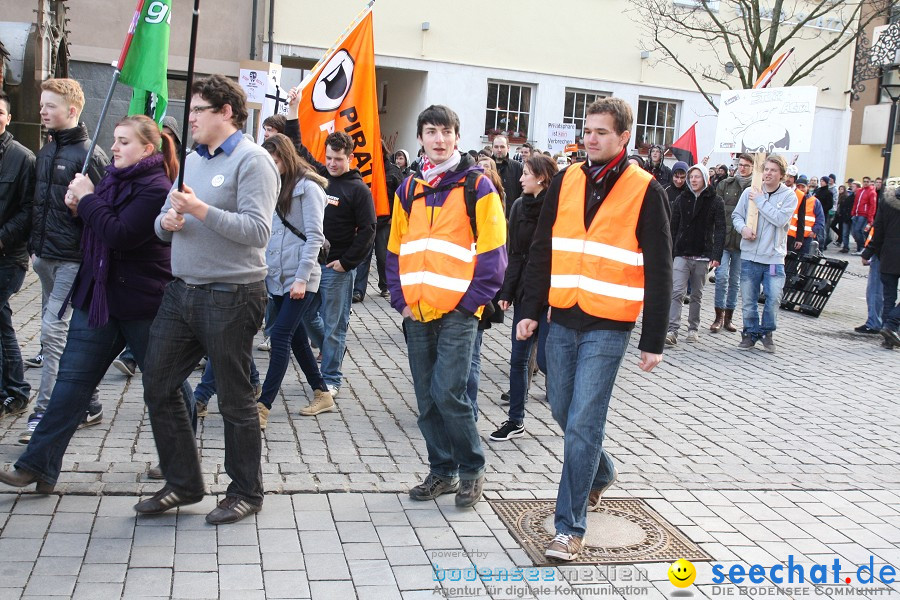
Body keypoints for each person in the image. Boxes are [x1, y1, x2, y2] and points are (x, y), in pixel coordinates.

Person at [517, 98, 672, 561]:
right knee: (564, 412)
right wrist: (529, 307)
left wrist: (654, 339)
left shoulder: (646, 189)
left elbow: (660, 268)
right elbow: (542, 249)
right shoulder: (565, 179)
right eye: (588, 130)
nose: (591, 138)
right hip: (561, 317)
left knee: (584, 421)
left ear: (624, 137)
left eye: (602, 132)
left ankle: (569, 528)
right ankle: (600, 472)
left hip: (610, 323)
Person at [0, 115, 186, 493]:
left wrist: (86, 200)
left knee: (165, 385)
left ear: (147, 149)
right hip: (100, 299)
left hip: (143, 304)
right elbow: (97, 227)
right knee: (71, 384)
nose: (114, 148)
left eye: (124, 142)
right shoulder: (114, 180)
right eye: (115, 140)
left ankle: (181, 464)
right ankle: (37, 466)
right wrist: (77, 207)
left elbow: (119, 234)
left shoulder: (156, 187)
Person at [136, 74, 278, 525]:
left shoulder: (253, 161)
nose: (190, 117)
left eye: (198, 109)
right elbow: (163, 221)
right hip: (181, 292)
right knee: (157, 383)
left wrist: (200, 210)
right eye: (191, 109)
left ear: (226, 113)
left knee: (234, 399)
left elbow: (258, 231)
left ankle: (246, 492)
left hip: (232, 295)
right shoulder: (191, 160)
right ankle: (183, 482)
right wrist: (169, 222)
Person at [386, 105, 507, 509]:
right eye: (430, 131)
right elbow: (394, 250)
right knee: (426, 399)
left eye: (446, 132)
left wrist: (470, 304)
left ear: (457, 137)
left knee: (449, 393)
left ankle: (471, 469)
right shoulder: (409, 188)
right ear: (420, 137)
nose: (438, 139)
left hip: (458, 313)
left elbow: (494, 255)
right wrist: (400, 300)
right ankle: (442, 471)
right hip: (417, 312)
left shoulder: (478, 186)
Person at [22, 78, 109, 444]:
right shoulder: (45, 152)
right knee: (57, 334)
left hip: (74, 261)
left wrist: (83, 209)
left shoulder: (91, 155)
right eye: (42, 105)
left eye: (50, 106)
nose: (43, 111)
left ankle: (45, 411)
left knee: (51, 334)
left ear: (72, 110)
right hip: (44, 259)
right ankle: (87, 402)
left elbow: (106, 211)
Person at [284, 88, 376, 404]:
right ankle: (330, 349)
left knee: (337, 325)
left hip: (338, 269)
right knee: (308, 317)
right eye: (329, 158)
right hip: (313, 265)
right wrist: (294, 110)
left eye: (338, 159)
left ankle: (331, 378)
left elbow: (369, 230)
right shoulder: (321, 176)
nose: (333, 164)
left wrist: (347, 262)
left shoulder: (359, 190)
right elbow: (296, 149)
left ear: (349, 158)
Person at [256, 133, 332, 426]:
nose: (272, 164)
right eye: (268, 160)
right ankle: (322, 392)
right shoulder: (274, 185)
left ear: (286, 156)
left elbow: (315, 237)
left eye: (276, 159)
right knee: (298, 337)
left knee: (280, 337)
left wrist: (301, 279)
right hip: (277, 274)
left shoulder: (308, 187)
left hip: (302, 277)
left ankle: (263, 406)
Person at [491, 154, 557, 442]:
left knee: (546, 359)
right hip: (524, 295)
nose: (520, 178)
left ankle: (568, 412)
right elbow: (514, 253)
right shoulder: (518, 206)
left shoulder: (557, 209)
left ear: (541, 177)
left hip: (552, 297)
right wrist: (506, 291)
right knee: (518, 359)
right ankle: (515, 419)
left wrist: (557, 299)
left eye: (526, 174)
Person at [731, 154, 796, 352]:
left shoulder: (788, 196)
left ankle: (767, 331)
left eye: (773, 170)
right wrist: (743, 229)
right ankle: (750, 333)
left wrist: (760, 201)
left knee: (774, 296)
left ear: (782, 174)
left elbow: (780, 219)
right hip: (751, 255)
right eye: (766, 169)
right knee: (749, 299)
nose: (768, 173)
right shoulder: (750, 192)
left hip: (774, 258)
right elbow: (736, 216)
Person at [0, 90, 34, 419]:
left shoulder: (22, 158)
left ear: (8, 118)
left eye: (0, 112)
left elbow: (28, 211)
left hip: (8, 258)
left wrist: (1, 240)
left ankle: (15, 389)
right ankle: (14, 388)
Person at [665, 164, 724, 346]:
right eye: (691, 177)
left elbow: (721, 229)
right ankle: (672, 329)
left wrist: (716, 254)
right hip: (682, 253)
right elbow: (673, 227)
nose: (693, 180)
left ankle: (693, 328)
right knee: (676, 292)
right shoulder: (682, 198)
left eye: (697, 177)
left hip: (703, 254)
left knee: (696, 294)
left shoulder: (715, 201)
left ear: (705, 178)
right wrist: (671, 251)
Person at [710, 153, 752, 333]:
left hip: (743, 242)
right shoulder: (725, 184)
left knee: (735, 281)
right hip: (724, 239)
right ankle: (718, 316)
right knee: (721, 278)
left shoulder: (756, 188)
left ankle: (729, 317)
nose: (742, 168)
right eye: (740, 165)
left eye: (746, 166)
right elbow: (715, 211)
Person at [354, 147, 400, 302]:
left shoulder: (393, 171)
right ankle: (358, 290)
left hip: (385, 221)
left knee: (383, 256)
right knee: (363, 256)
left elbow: (400, 196)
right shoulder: (363, 168)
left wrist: (393, 217)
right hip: (366, 220)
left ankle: (385, 285)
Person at [863, 187, 900, 348]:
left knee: (889, 298)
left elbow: (878, 229)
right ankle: (891, 325)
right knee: (889, 297)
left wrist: (869, 251)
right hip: (889, 255)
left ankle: (887, 339)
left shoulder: (887, 201)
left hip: (888, 256)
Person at [855, 225, 884, 336]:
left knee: (875, 290)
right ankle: (889, 324)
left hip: (882, 254)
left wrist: (868, 252)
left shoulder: (887, 208)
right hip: (887, 253)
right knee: (888, 292)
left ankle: (874, 323)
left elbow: (879, 233)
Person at [787, 175, 825, 255]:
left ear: (807, 187)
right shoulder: (791, 199)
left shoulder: (815, 201)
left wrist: (814, 231)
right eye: (798, 186)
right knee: (790, 262)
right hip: (793, 236)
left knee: (806, 262)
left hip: (808, 237)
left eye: (803, 187)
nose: (801, 189)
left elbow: (820, 219)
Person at [492, 134, 523, 216]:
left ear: (508, 148)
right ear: (492, 148)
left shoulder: (517, 167)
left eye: (502, 147)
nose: (499, 150)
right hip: (490, 214)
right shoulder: (486, 166)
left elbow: (522, 192)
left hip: (511, 215)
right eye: (496, 147)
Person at [851, 178, 877, 255]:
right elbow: (856, 202)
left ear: (869, 182)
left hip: (863, 214)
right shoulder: (860, 191)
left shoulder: (872, 192)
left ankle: (862, 247)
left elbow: (873, 205)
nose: (865, 183)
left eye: (867, 182)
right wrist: (853, 211)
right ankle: (859, 248)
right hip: (857, 213)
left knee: (858, 230)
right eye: (864, 182)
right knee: (854, 232)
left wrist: (870, 217)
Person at [814, 176, 835, 251]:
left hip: (823, 214)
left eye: (823, 181)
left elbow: (830, 204)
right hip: (814, 213)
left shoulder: (829, 192)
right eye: (821, 181)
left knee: (822, 231)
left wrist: (821, 210)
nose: (821, 182)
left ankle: (821, 246)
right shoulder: (818, 190)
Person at [837, 183, 856, 253]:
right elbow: (843, 206)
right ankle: (845, 247)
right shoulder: (849, 197)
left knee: (854, 232)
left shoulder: (853, 197)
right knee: (845, 233)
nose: (852, 188)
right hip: (846, 216)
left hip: (853, 216)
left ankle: (860, 246)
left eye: (854, 187)